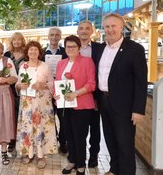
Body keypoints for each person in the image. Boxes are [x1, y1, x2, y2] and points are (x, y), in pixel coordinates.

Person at [96, 13, 147, 175]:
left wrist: (138, 109)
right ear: (103, 28)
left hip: (125, 106)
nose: (110, 30)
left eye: (113, 26)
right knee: (110, 140)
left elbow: (141, 82)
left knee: (125, 144)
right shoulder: (101, 49)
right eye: (107, 26)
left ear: (121, 27)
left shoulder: (134, 49)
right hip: (104, 102)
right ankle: (114, 169)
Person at [55, 35, 96, 175]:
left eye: (73, 46)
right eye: (68, 46)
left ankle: (80, 164)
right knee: (68, 134)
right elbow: (58, 83)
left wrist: (76, 93)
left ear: (79, 48)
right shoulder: (61, 63)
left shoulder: (87, 61)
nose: (70, 49)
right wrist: (56, 93)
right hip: (64, 105)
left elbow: (91, 84)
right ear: (64, 48)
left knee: (79, 136)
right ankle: (72, 160)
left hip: (82, 105)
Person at [16, 41, 57, 169]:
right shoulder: (23, 66)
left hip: (42, 102)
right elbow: (17, 83)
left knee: (42, 127)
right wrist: (19, 85)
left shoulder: (45, 66)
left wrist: (43, 85)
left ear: (39, 52)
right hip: (27, 102)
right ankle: (29, 154)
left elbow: (52, 83)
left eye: (35, 50)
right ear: (27, 52)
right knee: (28, 126)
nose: (33, 52)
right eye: (30, 50)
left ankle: (41, 155)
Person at [77, 20, 102, 167]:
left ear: (92, 31)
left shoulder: (100, 48)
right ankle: (77, 155)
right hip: (75, 95)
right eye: (81, 28)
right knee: (79, 128)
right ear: (77, 31)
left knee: (95, 128)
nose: (84, 31)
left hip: (94, 95)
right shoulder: (72, 48)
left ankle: (94, 155)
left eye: (87, 28)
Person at [42, 27, 68, 154]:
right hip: (46, 90)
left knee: (63, 117)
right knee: (49, 117)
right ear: (48, 36)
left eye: (57, 35)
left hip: (61, 89)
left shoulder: (66, 51)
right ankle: (53, 140)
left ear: (60, 37)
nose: (54, 37)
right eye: (51, 34)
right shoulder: (41, 53)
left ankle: (63, 142)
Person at [3, 32, 26, 153]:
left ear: (22, 41)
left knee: (22, 114)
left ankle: (22, 140)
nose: (17, 42)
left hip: (24, 88)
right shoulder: (7, 54)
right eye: (14, 40)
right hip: (9, 88)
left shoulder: (27, 53)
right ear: (11, 42)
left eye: (19, 40)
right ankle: (11, 141)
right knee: (11, 115)